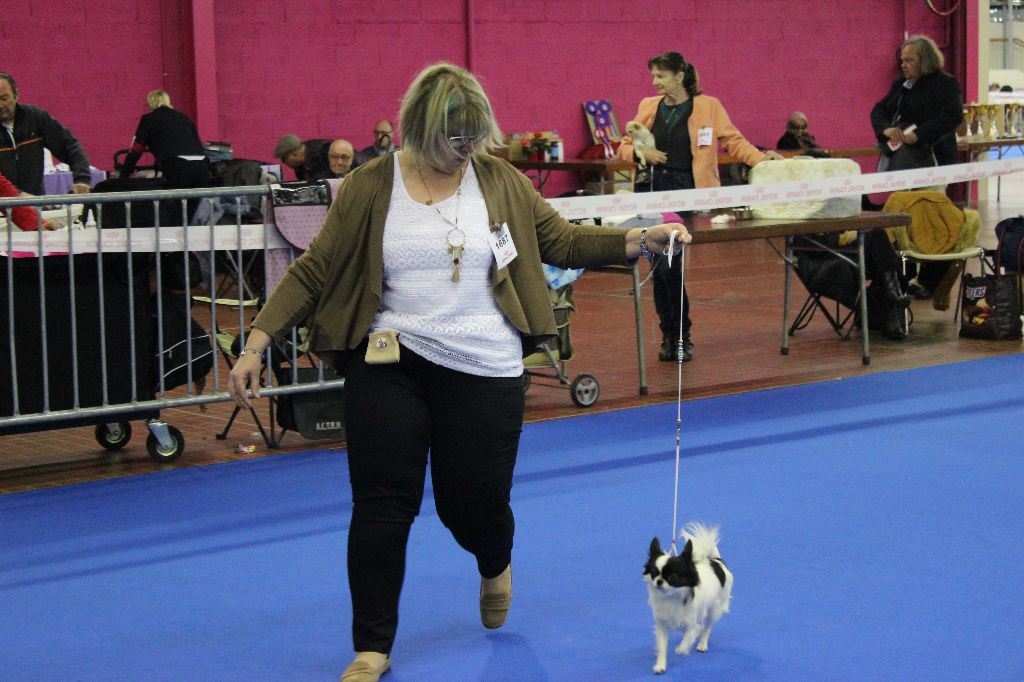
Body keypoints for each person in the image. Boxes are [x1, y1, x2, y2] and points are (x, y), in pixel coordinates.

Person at [227, 62, 689, 681]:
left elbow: (563, 242)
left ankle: (494, 561)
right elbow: (314, 268)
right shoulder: (370, 184)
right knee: (381, 505)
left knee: (471, 503)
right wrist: (256, 343)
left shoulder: (499, 180)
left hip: (485, 367)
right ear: (420, 127)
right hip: (388, 361)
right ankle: (372, 647)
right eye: (454, 136)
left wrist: (639, 239)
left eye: (475, 135)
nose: (467, 147)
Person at [618, 51, 780, 362]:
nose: (654, 82)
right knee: (659, 268)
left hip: (685, 194)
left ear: (679, 76)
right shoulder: (648, 106)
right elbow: (624, 146)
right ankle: (670, 336)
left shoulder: (709, 106)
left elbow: (734, 141)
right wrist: (642, 155)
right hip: (650, 191)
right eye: (653, 76)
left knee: (669, 266)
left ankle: (680, 337)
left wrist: (763, 161)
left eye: (661, 76)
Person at [870, 35, 964, 304]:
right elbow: (878, 110)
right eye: (902, 60)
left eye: (909, 60)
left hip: (935, 160)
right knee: (903, 218)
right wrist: (886, 129)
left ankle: (932, 279)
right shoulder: (901, 86)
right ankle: (904, 275)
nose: (904, 65)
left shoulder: (946, 84)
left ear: (925, 60)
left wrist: (919, 134)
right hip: (904, 162)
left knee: (931, 219)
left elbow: (952, 117)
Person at [0, 72, 92, 196]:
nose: (0, 105)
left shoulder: (36, 117)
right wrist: (17, 195)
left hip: (35, 203)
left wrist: (82, 179)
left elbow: (69, 145)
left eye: (4, 98)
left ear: (16, 95)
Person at [117, 90, 211, 191]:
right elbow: (198, 143)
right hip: (201, 165)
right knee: (197, 200)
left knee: (173, 199)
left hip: (177, 165)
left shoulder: (148, 119)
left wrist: (123, 175)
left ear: (150, 103)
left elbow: (136, 149)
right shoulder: (184, 118)